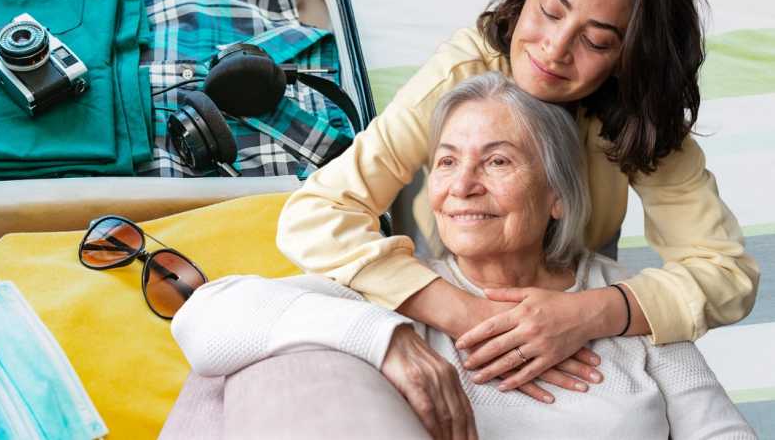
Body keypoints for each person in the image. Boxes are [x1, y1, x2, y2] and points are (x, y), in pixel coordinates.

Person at [275, 0, 759, 404]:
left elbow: (726, 273)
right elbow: (315, 215)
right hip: (438, 314)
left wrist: (589, 314)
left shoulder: (641, 117)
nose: (554, 48)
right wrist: (467, 314)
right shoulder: (461, 74)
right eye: (549, 10)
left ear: (630, 57)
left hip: (579, 340)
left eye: (596, 41)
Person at [172, 73, 756, 439]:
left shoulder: (626, 305)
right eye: (447, 162)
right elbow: (206, 316)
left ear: (557, 195)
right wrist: (389, 340)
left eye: (498, 161)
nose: (462, 185)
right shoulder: (398, 288)